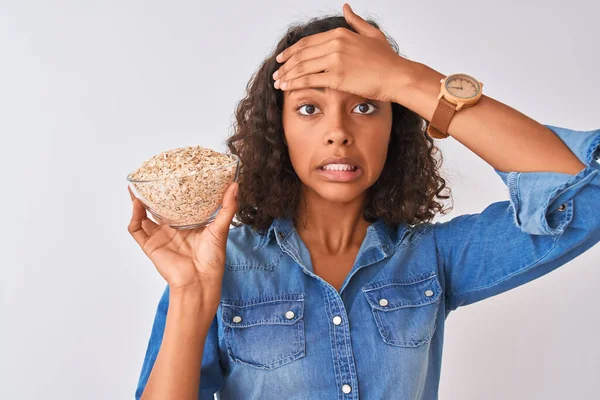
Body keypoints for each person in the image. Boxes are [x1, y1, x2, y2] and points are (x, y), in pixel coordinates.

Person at [129, 4, 600, 399]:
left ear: (394, 128)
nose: (339, 132)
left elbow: (585, 196)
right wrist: (192, 294)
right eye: (309, 108)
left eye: (366, 106)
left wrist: (408, 80)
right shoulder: (220, 267)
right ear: (279, 130)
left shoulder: (432, 259)